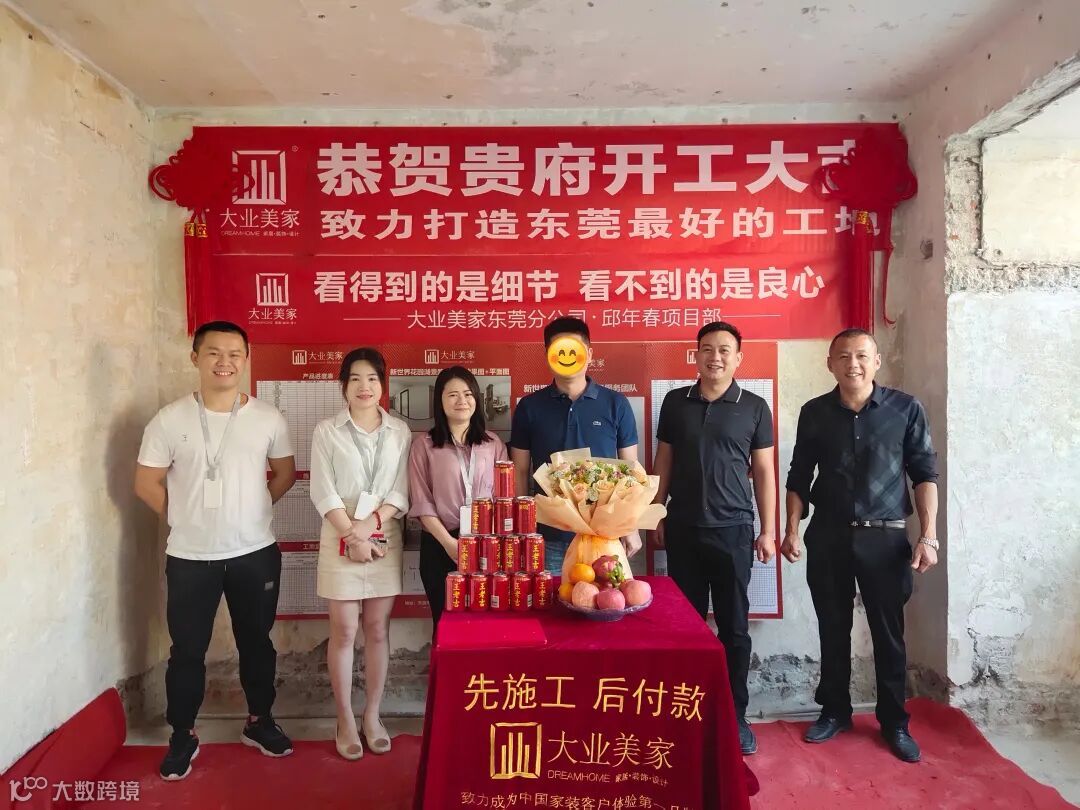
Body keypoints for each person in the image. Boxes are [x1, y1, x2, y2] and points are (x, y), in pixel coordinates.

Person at [135, 321, 297, 781]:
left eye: (234, 354)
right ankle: (182, 734)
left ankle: (259, 721)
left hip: (255, 553)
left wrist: (252, 510)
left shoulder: (268, 418)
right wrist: (184, 517)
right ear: (195, 358)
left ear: (245, 359)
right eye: (213, 353)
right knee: (187, 650)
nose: (224, 362)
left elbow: (284, 474)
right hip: (190, 557)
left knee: (257, 643)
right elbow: (145, 482)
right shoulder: (169, 419)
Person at [782, 328, 939, 763]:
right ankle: (835, 711)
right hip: (828, 535)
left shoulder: (905, 409)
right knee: (832, 628)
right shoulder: (815, 412)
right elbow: (799, 476)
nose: (853, 364)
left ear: (876, 361)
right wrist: (792, 529)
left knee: (889, 635)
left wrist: (928, 536)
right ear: (830, 364)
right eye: (844, 356)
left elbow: (924, 474)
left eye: (862, 356)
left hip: (884, 538)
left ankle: (894, 722)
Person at [653, 321, 776, 756]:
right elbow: (663, 462)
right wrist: (655, 511)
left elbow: (764, 471)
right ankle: (686, 712)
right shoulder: (675, 402)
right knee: (685, 628)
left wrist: (768, 530)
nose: (715, 357)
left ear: (738, 358)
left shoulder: (754, 406)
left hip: (734, 531)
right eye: (707, 349)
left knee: (734, 628)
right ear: (696, 355)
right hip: (683, 529)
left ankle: (735, 715)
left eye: (725, 350)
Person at [309, 348, 411, 760]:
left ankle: (372, 715)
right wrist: (352, 534)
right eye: (355, 378)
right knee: (345, 630)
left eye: (372, 378)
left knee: (378, 629)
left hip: (383, 531)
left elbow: (401, 489)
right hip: (340, 531)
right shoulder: (326, 431)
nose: (364, 386)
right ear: (343, 385)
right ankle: (345, 718)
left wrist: (370, 526)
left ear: (383, 385)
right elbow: (322, 490)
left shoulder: (400, 431)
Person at [509, 317, 641, 574]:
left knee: (606, 597)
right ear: (548, 356)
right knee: (550, 600)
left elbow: (630, 470)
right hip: (548, 538)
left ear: (589, 354)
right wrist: (523, 529)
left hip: (605, 536)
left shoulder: (616, 404)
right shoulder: (529, 407)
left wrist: (630, 526)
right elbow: (520, 472)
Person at [408, 366, 508, 631]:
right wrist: (449, 544)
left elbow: (503, 497)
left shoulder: (493, 444)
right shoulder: (424, 445)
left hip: (486, 544)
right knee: (445, 624)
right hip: (441, 545)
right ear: (439, 401)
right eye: (452, 394)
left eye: (468, 394)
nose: (461, 400)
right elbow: (422, 501)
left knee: (485, 623)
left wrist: (490, 541)